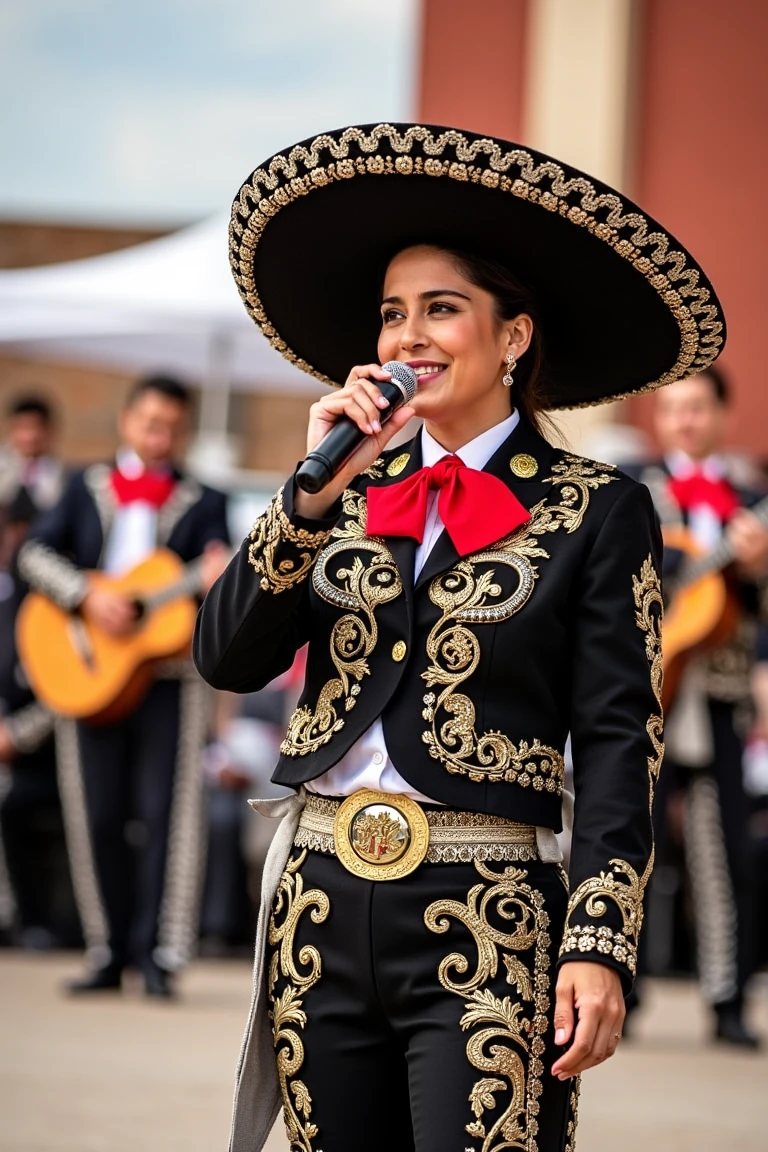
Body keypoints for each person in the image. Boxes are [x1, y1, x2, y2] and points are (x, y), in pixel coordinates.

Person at [194, 123, 725, 1151]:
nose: (407, 339)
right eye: (394, 315)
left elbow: (621, 737)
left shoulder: (597, 508)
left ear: (513, 336)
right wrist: (306, 499)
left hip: (492, 913)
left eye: (442, 309)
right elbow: (226, 657)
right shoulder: (341, 488)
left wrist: (601, 940)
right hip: (318, 897)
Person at [18, 374, 230, 997]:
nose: (159, 435)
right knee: (97, 813)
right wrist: (86, 598)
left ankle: (161, 955)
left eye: (171, 426)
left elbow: (215, 586)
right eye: (150, 423)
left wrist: (215, 579)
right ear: (127, 422)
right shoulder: (83, 487)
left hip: (170, 678)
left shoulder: (205, 499)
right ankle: (108, 950)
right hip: (87, 670)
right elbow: (32, 554)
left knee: (170, 814)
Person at [628, 367, 768, 1047]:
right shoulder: (630, 488)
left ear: (720, 415)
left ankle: (728, 1000)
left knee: (728, 853)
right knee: (628, 844)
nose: (684, 420)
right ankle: (617, 993)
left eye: (697, 408)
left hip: (719, 694)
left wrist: (758, 571)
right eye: (672, 408)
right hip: (643, 694)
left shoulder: (751, 500)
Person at [0, 394, 65, 512]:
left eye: (36, 427)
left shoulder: (61, 475)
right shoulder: (3, 468)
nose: (29, 437)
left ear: (49, 431)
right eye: (23, 428)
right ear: (11, 430)